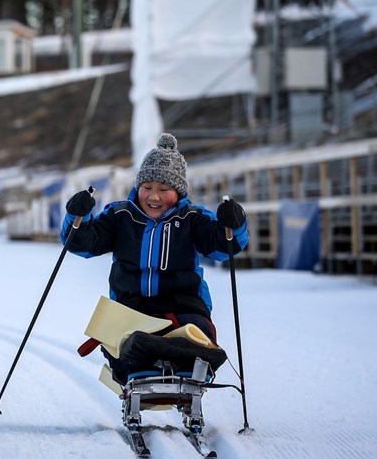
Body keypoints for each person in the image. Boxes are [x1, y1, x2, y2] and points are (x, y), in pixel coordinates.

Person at [61, 133, 248, 382]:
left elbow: (225, 248)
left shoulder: (192, 218)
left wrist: (233, 225)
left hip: (183, 304)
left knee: (195, 331)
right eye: (147, 188)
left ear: (179, 191)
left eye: (164, 189)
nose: (154, 197)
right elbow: (82, 244)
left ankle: (185, 359)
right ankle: (145, 360)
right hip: (131, 304)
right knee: (124, 338)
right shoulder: (120, 215)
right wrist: (78, 216)